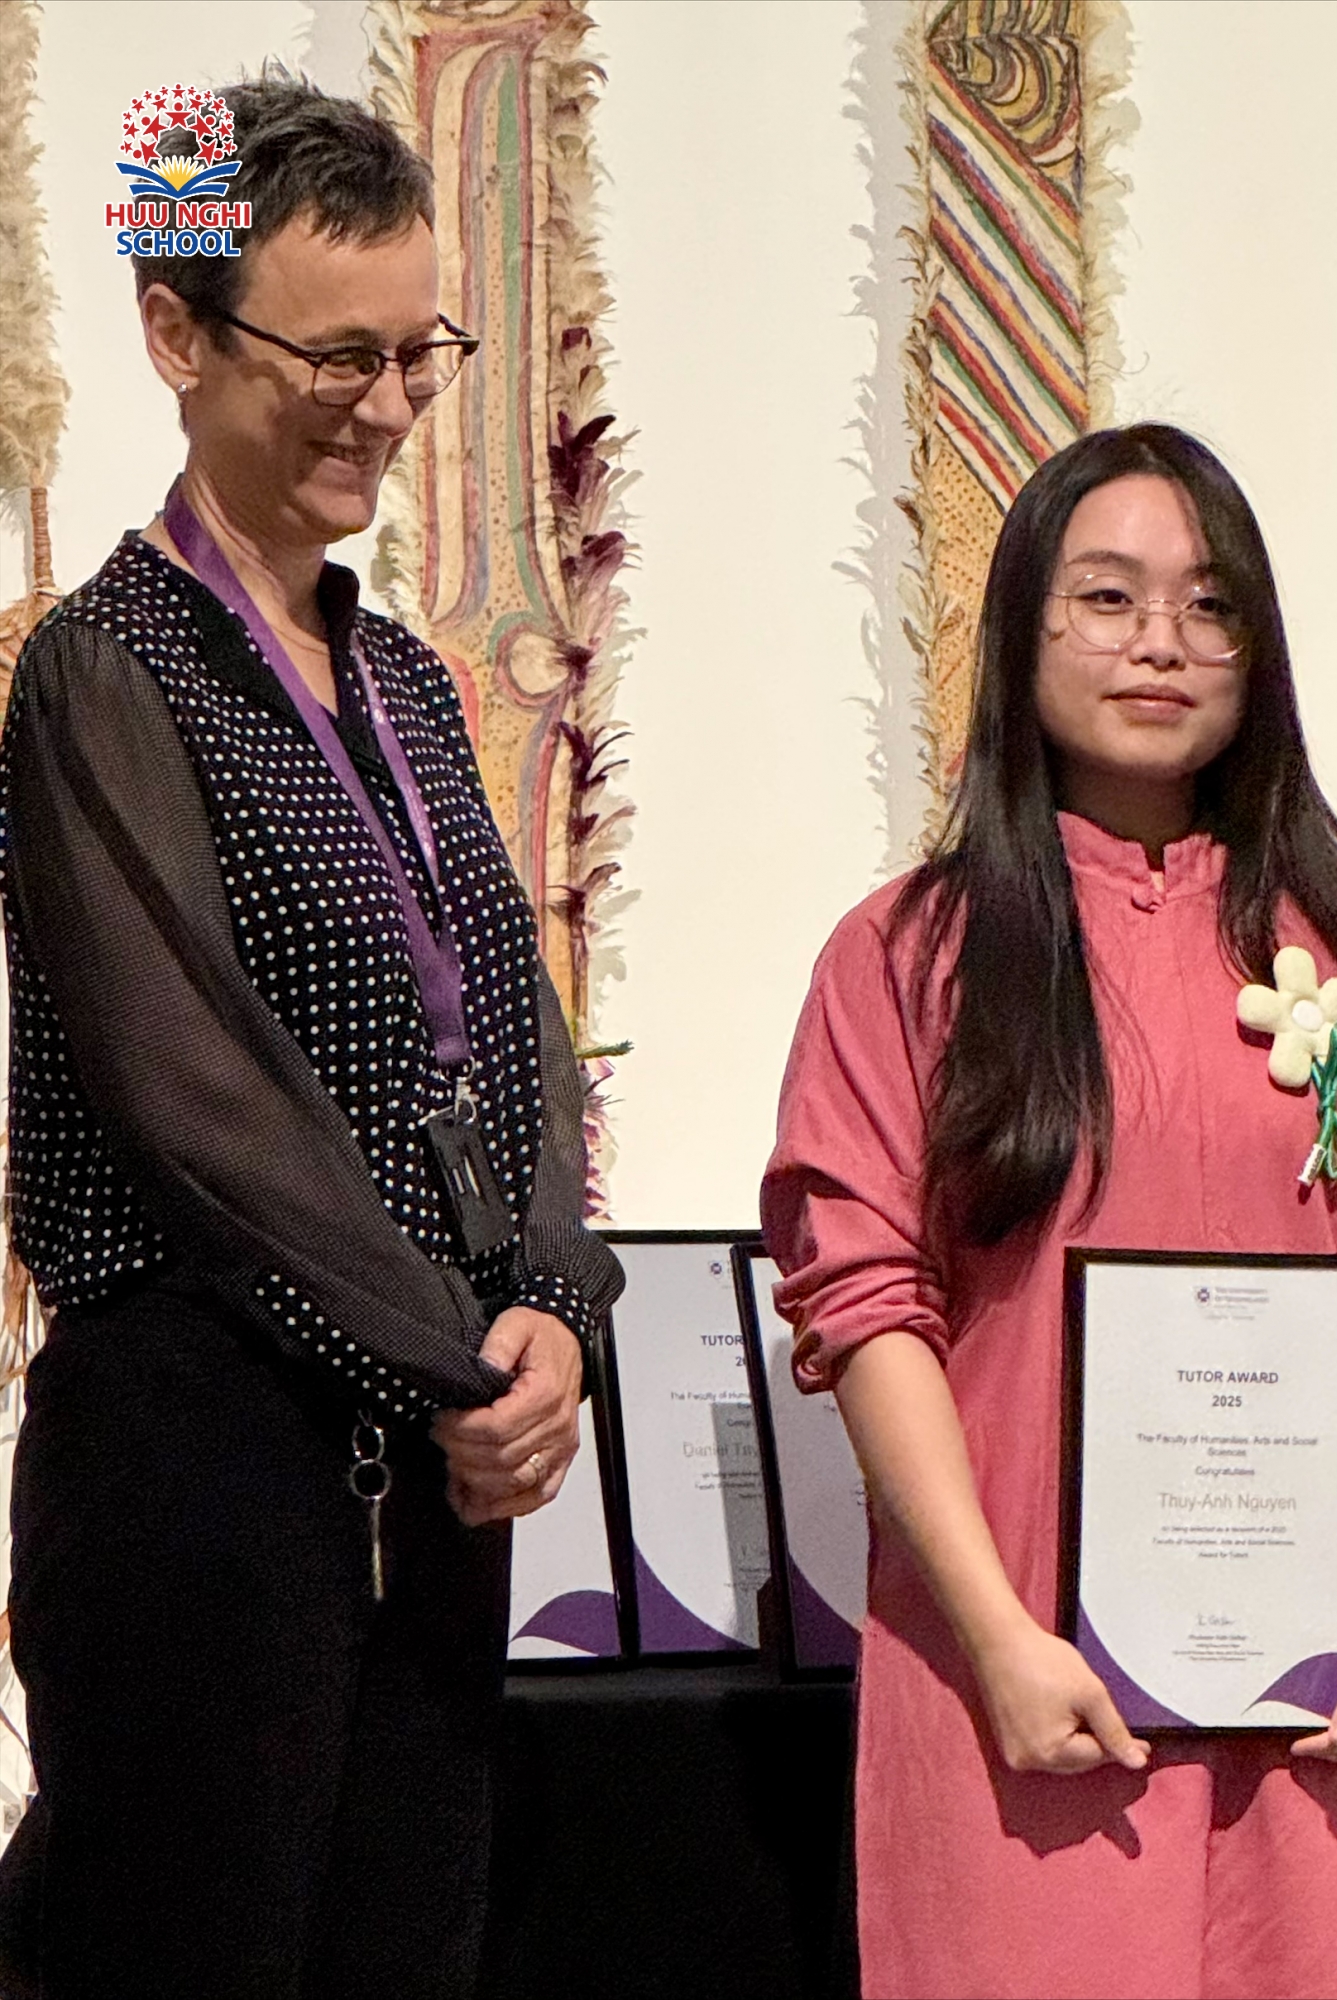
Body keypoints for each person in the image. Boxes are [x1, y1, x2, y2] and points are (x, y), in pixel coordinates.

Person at [0, 75, 621, 2000]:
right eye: (336, 355)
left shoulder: (407, 682)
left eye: (419, 352)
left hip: (429, 1467)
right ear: (175, 333)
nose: (387, 404)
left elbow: (516, 1031)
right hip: (198, 1472)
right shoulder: (100, 671)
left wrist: (552, 1307)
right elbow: (202, 1106)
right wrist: (459, 1361)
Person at [761, 425, 1337, 2000]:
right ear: (1022, 629)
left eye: (1209, 603)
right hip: (1020, 1697)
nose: (1162, 641)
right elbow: (868, 1305)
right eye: (1108, 598)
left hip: (1320, 1713)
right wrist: (998, 1637)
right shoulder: (905, 956)